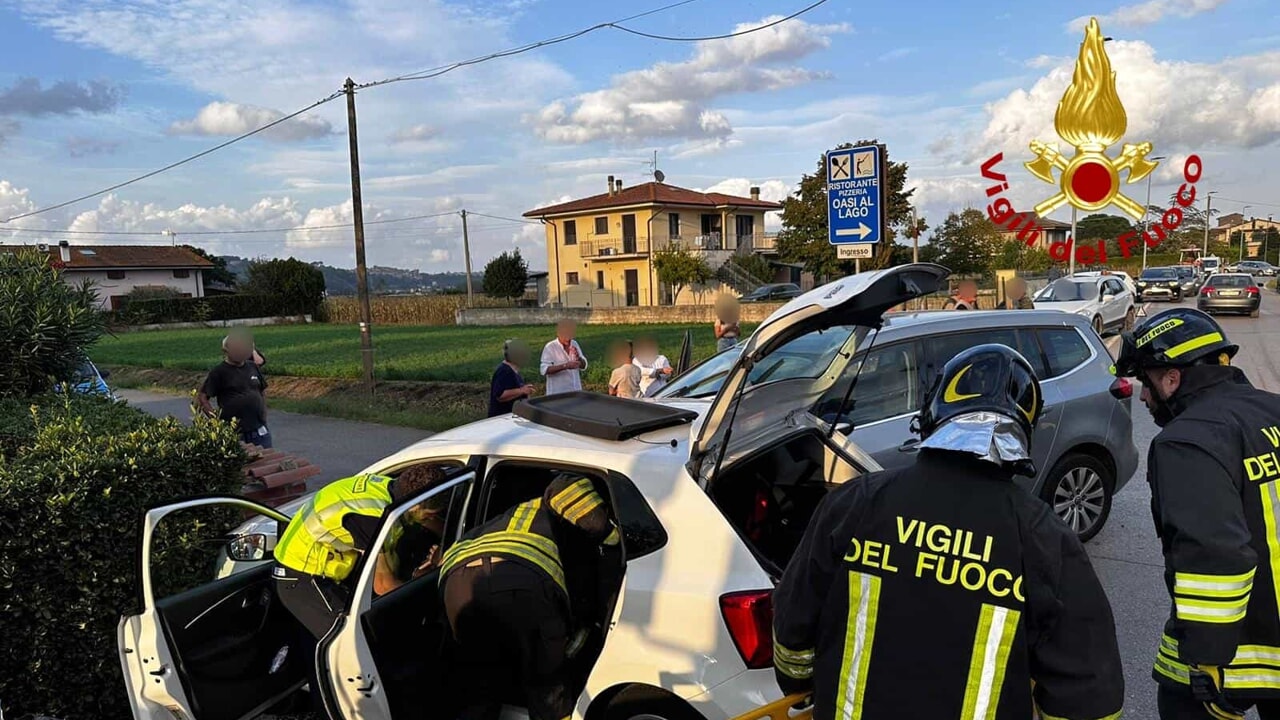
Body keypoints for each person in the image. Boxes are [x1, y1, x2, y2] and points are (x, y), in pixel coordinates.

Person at [773, 344, 1124, 720]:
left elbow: (793, 627)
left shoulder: (856, 502)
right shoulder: (1042, 536)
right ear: (1022, 434)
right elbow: (1089, 694)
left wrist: (800, 684)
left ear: (931, 415)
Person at [1117, 308, 1280, 719]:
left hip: (1245, 648)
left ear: (1172, 377)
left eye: (1146, 381)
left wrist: (1207, 665)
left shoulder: (1185, 442)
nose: (1143, 396)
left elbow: (1215, 558)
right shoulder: (1273, 410)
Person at [439, 474, 621, 720]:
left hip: (456, 587)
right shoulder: (551, 499)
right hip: (519, 582)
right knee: (546, 684)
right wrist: (613, 537)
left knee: (481, 685)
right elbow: (567, 487)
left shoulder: (503, 521)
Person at [273, 464, 449, 640]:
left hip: (328, 569)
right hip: (302, 575)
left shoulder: (396, 489)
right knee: (349, 639)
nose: (434, 518)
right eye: (431, 513)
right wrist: (431, 600)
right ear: (415, 506)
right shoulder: (374, 518)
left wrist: (450, 544)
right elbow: (383, 586)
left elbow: (430, 522)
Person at [198, 330, 271, 448]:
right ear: (225, 350)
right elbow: (202, 397)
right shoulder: (219, 372)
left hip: (259, 429)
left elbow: (261, 390)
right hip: (235, 432)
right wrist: (215, 420)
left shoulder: (252, 367)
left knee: (268, 460)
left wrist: (264, 411)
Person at [540, 319, 588, 395]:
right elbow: (544, 370)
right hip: (557, 396)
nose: (568, 339)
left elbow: (584, 365)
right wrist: (565, 366)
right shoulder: (550, 347)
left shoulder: (574, 343)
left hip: (576, 393)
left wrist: (579, 359)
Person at [489, 339, 535, 417]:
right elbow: (500, 395)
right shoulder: (505, 371)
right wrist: (522, 390)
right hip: (503, 418)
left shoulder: (512, 370)